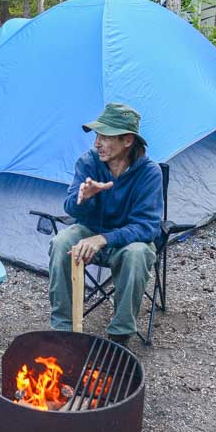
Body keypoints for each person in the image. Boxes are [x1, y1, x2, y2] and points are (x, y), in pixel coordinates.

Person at [48, 103, 163, 347]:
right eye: (97, 135)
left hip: (127, 241)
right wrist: (84, 199)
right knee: (61, 242)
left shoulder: (149, 173)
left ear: (128, 140)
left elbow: (148, 227)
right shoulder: (88, 163)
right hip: (90, 229)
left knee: (138, 253)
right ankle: (64, 329)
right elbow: (70, 208)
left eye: (106, 136)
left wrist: (104, 239)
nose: (97, 143)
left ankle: (120, 335)